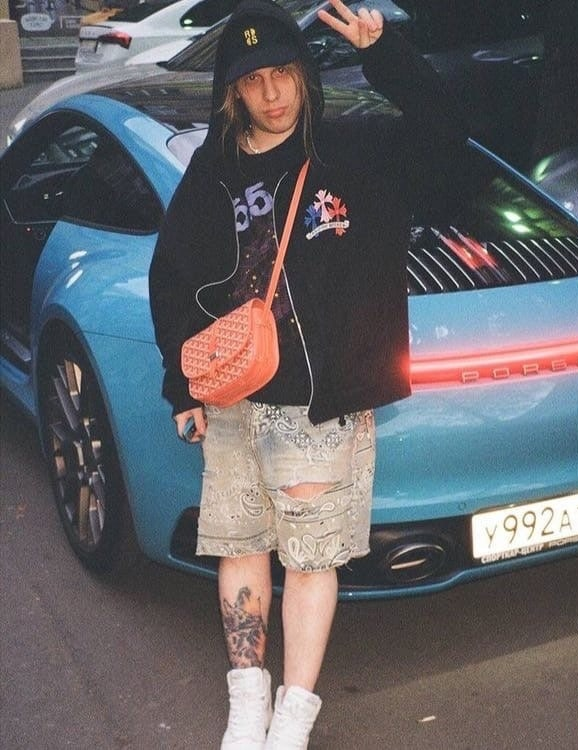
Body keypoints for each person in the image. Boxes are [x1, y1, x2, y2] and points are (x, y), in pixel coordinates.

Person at [148, 0, 466, 747]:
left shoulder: (351, 152)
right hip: (234, 392)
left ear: (303, 75)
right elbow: (172, 276)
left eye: (283, 74)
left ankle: (292, 716)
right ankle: (247, 703)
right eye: (253, 80)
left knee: (310, 559)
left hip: (318, 403)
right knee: (238, 547)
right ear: (232, 90)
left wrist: (386, 56)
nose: (271, 94)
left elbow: (447, 135)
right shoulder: (214, 167)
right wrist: (181, 384)